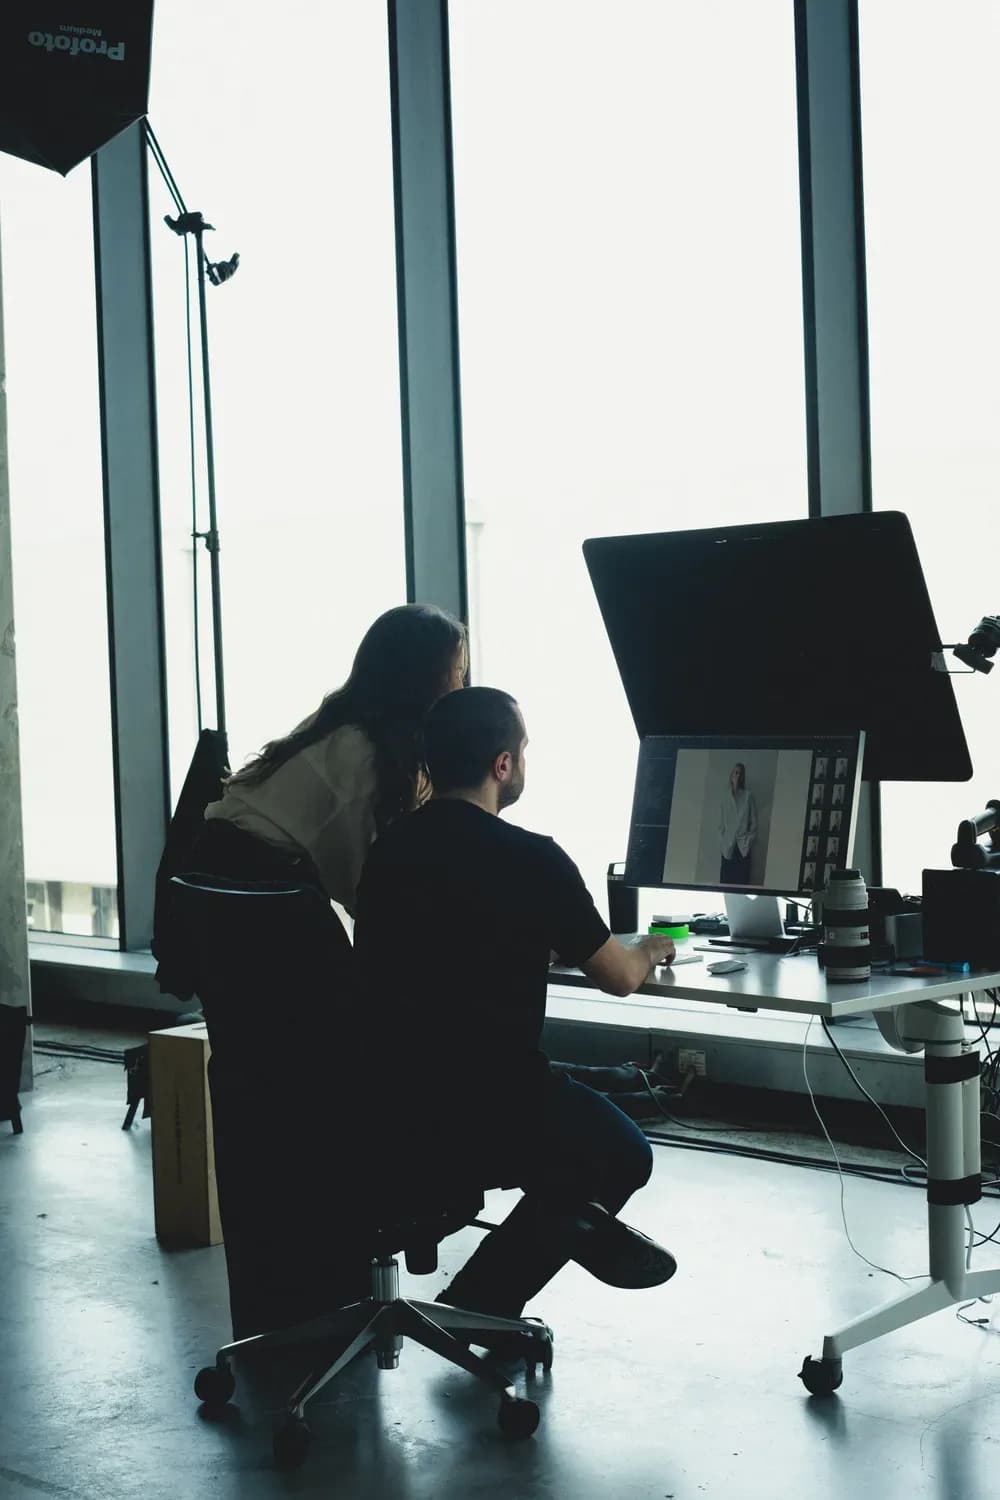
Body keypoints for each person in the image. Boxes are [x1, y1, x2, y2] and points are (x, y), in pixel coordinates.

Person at [353, 687, 678, 1330]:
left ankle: (546, 1238)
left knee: (576, 1126)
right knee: (621, 1153)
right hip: (492, 1104)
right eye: (523, 750)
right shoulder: (533, 858)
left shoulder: (389, 850)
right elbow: (617, 977)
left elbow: (438, 948)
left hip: (384, 1104)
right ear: (503, 764)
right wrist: (651, 947)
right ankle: (490, 1295)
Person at [189, 603, 468, 907]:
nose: (461, 687)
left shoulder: (335, 725)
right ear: (424, 679)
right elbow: (368, 889)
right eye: (456, 672)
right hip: (258, 902)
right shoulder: (364, 755)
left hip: (206, 887)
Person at [718, 762, 757, 885]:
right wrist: (723, 840)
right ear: (731, 775)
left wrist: (748, 841)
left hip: (743, 847)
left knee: (742, 883)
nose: (737, 776)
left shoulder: (748, 796)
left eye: (740, 773)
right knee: (725, 884)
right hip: (728, 847)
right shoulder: (725, 797)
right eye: (735, 772)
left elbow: (754, 823)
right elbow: (721, 824)